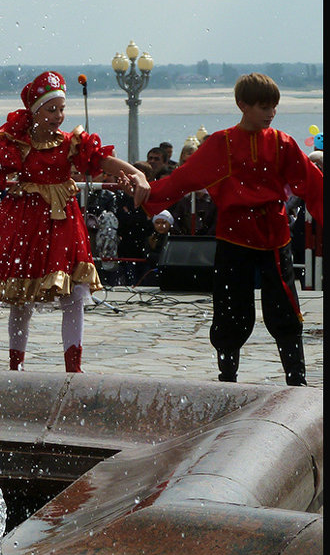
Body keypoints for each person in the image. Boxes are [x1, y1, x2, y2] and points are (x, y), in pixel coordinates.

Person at [0, 71, 150, 373]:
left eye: (62, 109)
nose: (59, 116)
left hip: (64, 226)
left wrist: (137, 174)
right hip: (26, 226)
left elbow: (103, 161)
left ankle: (73, 368)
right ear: (34, 111)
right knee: (21, 296)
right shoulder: (17, 145)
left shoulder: (70, 143)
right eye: (51, 109)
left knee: (75, 294)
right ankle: (16, 366)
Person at [137, 73, 323, 386]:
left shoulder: (283, 143)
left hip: (275, 236)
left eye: (274, 107)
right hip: (233, 236)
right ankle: (227, 378)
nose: (271, 113)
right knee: (230, 309)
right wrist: (149, 193)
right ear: (242, 105)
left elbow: (313, 184)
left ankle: (297, 379)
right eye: (264, 106)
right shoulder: (221, 144)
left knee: (285, 307)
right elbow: (185, 179)